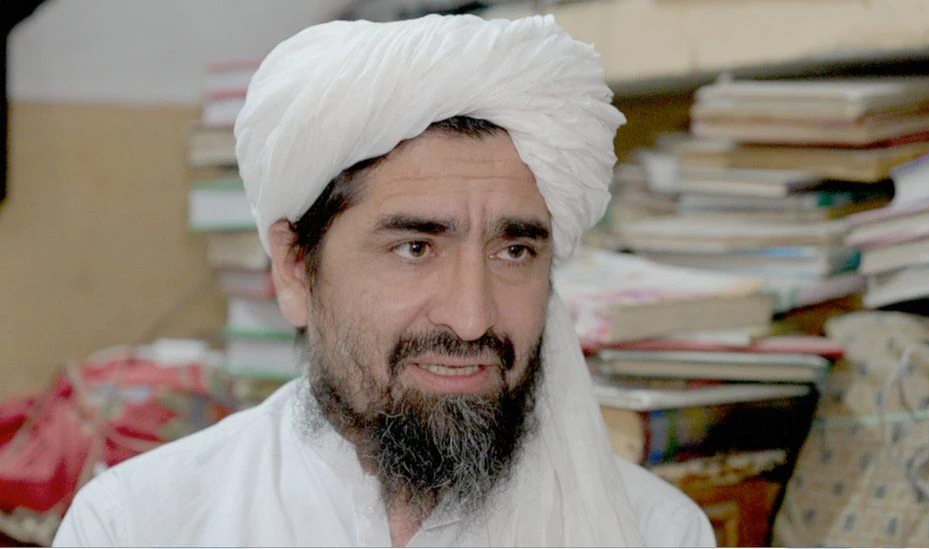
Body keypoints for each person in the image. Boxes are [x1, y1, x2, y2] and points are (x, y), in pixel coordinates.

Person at [53, 14, 715, 547]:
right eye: (415, 247)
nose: (472, 318)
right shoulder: (137, 526)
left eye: (513, 251)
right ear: (295, 268)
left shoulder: (656, 532)